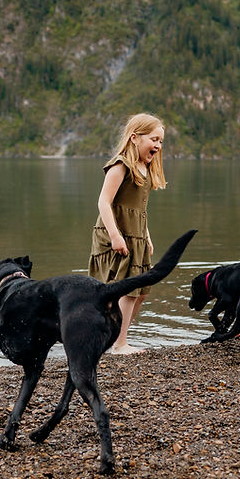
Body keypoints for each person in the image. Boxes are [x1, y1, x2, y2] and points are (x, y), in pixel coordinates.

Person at [88, 113, 166, 354]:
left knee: (140, 292)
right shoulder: (121, 165)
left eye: (161, 141)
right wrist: (114, 235)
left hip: (137, 236)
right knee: (125, 290)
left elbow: (139, 209)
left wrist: (147, 236)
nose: (158, 145)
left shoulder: (146, 167)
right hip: (116, 234)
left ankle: (115, 340)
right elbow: (103, 202)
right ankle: (118, 343)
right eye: (154, 139)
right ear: (134, 137)